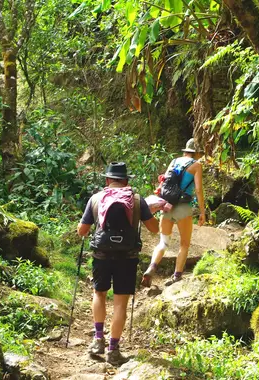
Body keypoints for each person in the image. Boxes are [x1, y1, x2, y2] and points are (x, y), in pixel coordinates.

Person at [77, 162, 159, 366]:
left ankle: (98, 340)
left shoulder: (96, 198)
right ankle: (113, 350)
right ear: (126, 180)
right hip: (127, 256)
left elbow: (82, 230)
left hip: (101, 255)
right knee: (120, 303)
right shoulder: (137, 200)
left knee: (99, 294)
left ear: (107, 180)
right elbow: (154, 229)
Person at [141, 138, 205, 287]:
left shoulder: (174, 161)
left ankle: (152, 267)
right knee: (184, 244)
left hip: (167, 206)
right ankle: (177, 276)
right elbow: (198, 190)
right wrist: (202, 212)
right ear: (197, 153)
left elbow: (163, 182)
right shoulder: (196, 165)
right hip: (183, 207)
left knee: (163, 242)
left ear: (186, 150)